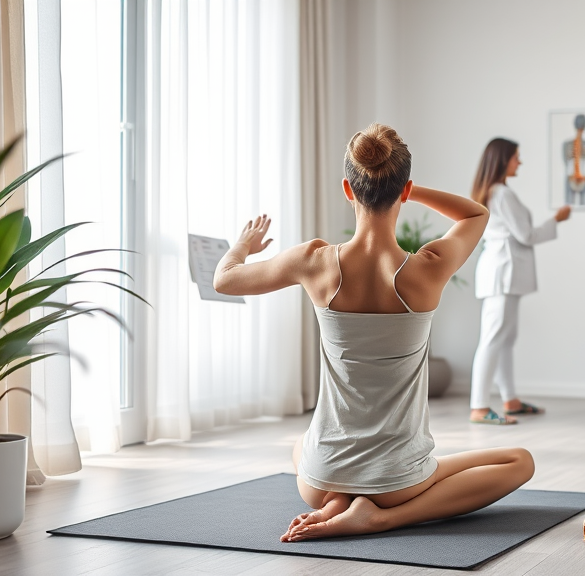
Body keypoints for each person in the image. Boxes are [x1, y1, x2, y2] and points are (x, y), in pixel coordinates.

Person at [213, 124, 535, 541]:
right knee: (520, 460)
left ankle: (336, 501)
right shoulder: (428, 266)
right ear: (404, 190)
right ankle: (382, 517)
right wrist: (406, 189)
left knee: (301, 445)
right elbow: (477, 213)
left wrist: (243, 245)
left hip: (319, 478)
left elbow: (225, 279)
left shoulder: (314, 260)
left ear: (349, 189)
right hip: (399, 484)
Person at [470, 138, 571, 425]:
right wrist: (557, 220)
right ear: (503, 160)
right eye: (516, 157)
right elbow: (526, 235)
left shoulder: (497, 193)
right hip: (503, 273)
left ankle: (510, 399)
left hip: (504, 272)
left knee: (504, 339)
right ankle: (478, 406)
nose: (520, 162)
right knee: (493, 339)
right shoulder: (501, 194)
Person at [563, 114, 585, 206]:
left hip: (584, 179)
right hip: (571, 179)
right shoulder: (566, 145)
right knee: (568, 207)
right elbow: (565, 163)